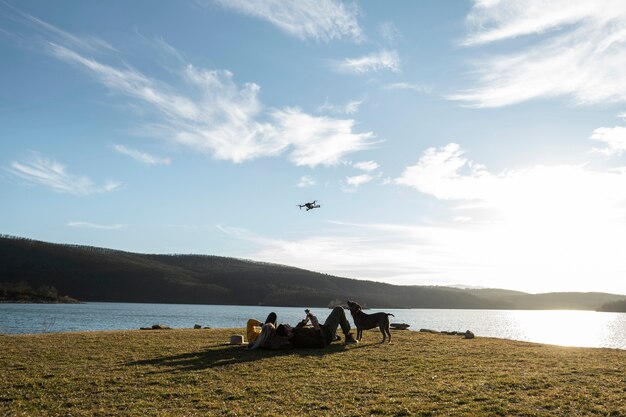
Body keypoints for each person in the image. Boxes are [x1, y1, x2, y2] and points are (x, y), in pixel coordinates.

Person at [249, 307, 358, 349]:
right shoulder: (300, 340)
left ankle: (339, 335)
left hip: (322, 329)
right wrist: (316, 327)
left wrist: (305, 321)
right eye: (288, 327)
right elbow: (321, 344)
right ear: (288, 335)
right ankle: (347, 335)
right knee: (339, 309)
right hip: (326, 333)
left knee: (338, 311)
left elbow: (296, 328)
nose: (289, 326)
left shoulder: (293, 333)